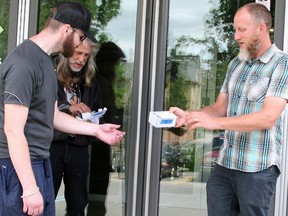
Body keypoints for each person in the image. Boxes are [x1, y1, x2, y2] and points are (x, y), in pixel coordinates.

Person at [0, 2, 124, 216]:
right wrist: (29, 188)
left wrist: (95, 130)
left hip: (39, 161)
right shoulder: (24, 63)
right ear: (67, 29)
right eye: (81, 37)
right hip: (16, 167)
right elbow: (12, 130)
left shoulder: (45, 62)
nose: (81, 42)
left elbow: (54, 115)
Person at [170, 3, 288, 216]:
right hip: (225, 165)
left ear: (261, 28)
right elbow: (218, 109)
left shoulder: (282, 64)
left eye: (241, 29)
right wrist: (189, 117)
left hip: (257, 169)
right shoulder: (236, 64)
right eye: (235, 29)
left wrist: (215, 124)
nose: (235, 36)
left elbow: (267, 118)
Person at [50, 37, 101, 215]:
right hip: (52, 146)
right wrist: (68, 108)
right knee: (46, 199)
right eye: (78, 53)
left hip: (78, 146)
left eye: (86, 56)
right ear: (66, 51)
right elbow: (42, 108)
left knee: (78, 202)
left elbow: (96, 109)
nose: (81, 59)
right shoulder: (48, 73)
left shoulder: (90, 80)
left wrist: (92, 119)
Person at [87, 42, 125, 216]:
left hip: (97, 145)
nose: (116, 69)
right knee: (96, 197)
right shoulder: (99, 84)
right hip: (95, 145)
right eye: (115, 63)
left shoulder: (100, 83)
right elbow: (103, 114)